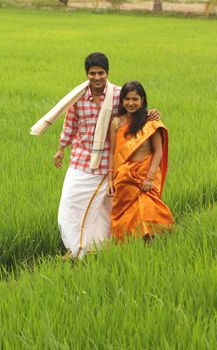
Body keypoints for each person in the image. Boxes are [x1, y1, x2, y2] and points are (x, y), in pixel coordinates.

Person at [54, 53, 159, 260]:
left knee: (104, 210)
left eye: (101, 73)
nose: (97, 77)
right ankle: (76, 246)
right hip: (80, 159)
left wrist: (151, 113)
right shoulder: (78, 97)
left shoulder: (119, 95)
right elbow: (70, 124)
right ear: (87, 74)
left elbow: (135, 110)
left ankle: (92, 249)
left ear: (107, 73)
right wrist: (60, 148)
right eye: (92, 73)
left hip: (109, 163)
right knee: (70, 204)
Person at [107, 81, 174, 241]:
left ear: (142, 100)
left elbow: (158, 150)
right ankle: (131, 245)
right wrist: (110, 179)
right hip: (124, 177)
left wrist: (149, 177)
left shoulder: (150, 122)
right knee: (126, 216)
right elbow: (112, 152)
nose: (131, 103)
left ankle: (152, 243)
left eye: (135, 99)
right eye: (127, 99)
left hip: (146, 174)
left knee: (147, 209)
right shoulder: (116, 123)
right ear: (122, 101)